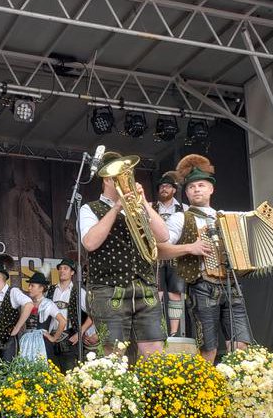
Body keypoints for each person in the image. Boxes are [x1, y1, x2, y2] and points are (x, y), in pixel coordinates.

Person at [158, 154, 273, 363]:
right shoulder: (181, 218)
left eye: (201, 185)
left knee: (240, 346)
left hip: (232, 285)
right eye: (192, 186)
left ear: (211, 189)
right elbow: (159, 250)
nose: (197, 189)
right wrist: (190, 247)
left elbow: (258, 220)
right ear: (186, 192)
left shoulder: (227, 216)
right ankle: (208, 393)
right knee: (208, 349)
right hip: (202, 286)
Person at [79, 151, 170, 356]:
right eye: (116, 175)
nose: (123, 179)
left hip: (144, 287)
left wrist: (144, 202)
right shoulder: (90, 208)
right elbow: (90, 243)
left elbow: (163, 236)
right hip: (109, 290)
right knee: (114, 355)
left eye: (127, 173)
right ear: (105, 179)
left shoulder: (139, 207)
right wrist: (117, 207)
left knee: (155, 354)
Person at [0, 254, 34, 373]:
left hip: (8, 340)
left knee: (8, 372)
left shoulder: (13, 292)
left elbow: (29, 304)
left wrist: (17, 327)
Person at [152, 171, 186, 336]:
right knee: (156, 292)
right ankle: (158, 328)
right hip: (155, 256)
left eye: (168, 186)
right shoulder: (150, 206)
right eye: (162, 186)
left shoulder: (185, 209)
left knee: (175, 293)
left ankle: (173, 332)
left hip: (176, 256)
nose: (164, 189)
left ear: (174, 189)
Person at [46, 257, 95, 372]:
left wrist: (80, 332)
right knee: (52, 376)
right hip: (52, 338)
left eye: (66, 268)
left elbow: (92, 314)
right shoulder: (51, 290)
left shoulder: (78, 291)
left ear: (72, 272)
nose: (62, 271)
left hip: (70, 338)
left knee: (70, 375)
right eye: (60, 268)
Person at [18, 271, 66, 362]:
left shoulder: (48, 304)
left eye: (32, 286)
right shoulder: (27, 304)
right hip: (27, 341)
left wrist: (53, 338)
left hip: (42, 342)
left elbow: (62, 321)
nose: (29, 288)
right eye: (29, 285)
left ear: (41, 288)